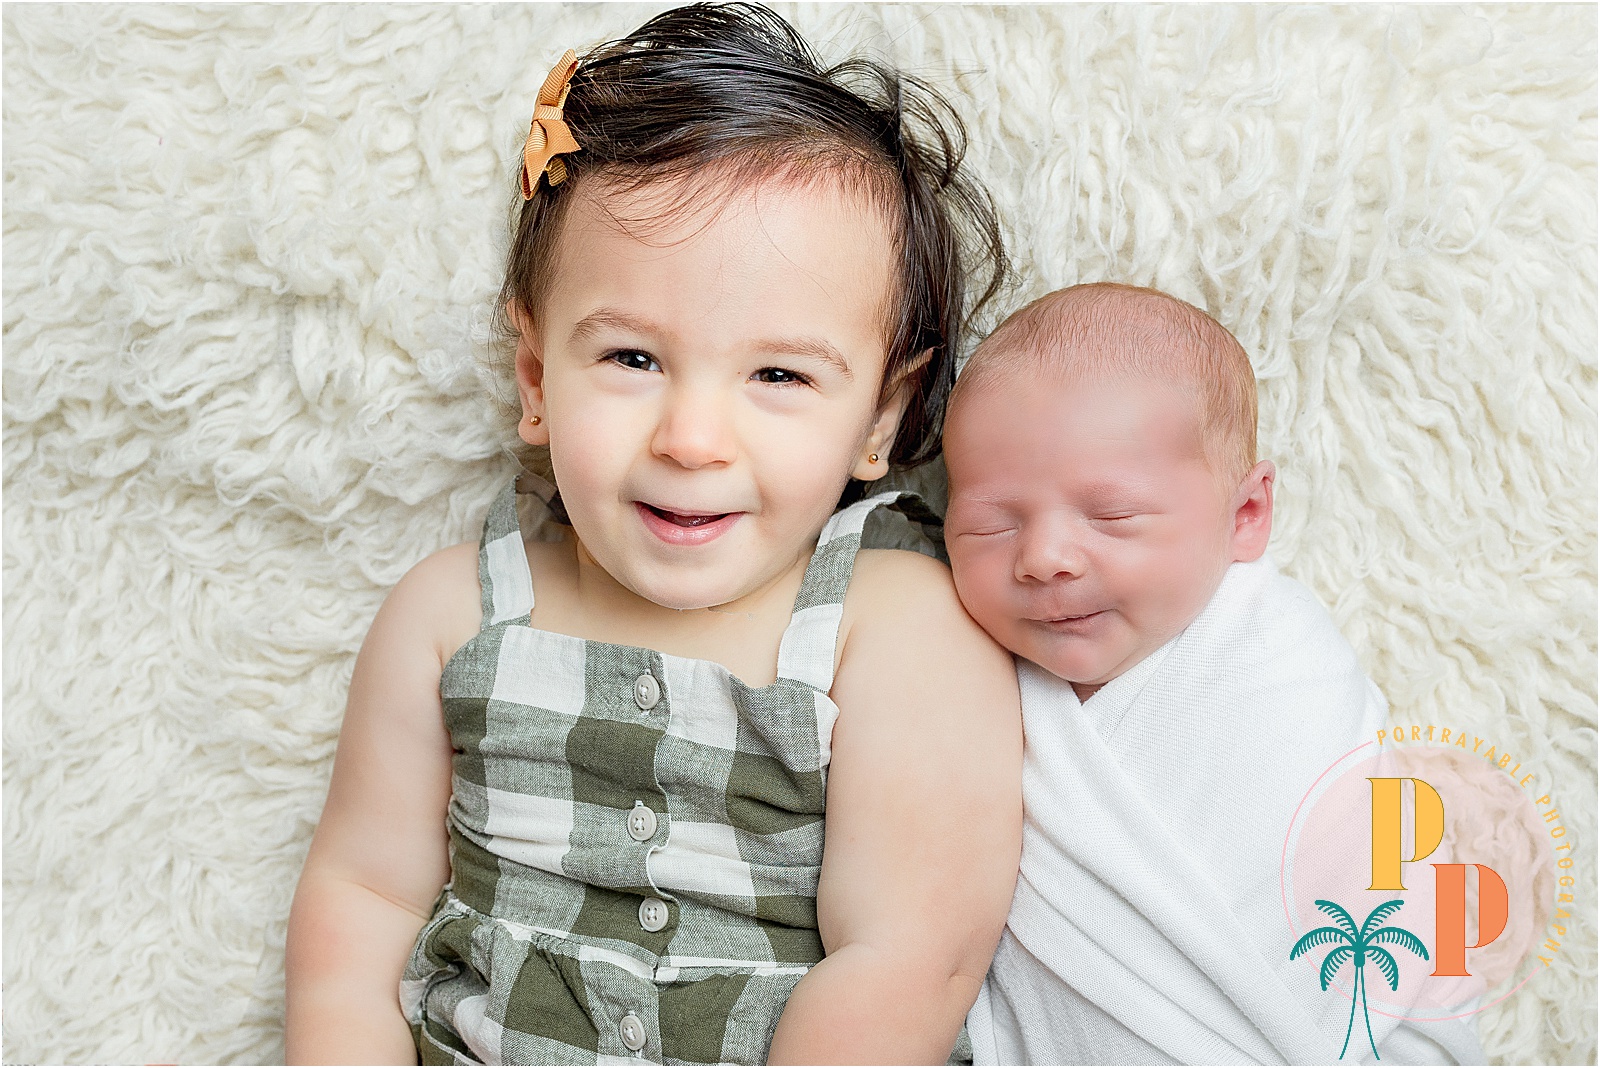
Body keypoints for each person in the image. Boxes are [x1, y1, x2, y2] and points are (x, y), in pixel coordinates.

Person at [283, 5, 1022, 1065]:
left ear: (882, 418)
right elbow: (360, 899)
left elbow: (911, 958)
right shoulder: (454, 616)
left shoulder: (893, 625)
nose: (689, 439)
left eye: (778, 375)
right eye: (631, 358)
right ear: (536, 379)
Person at [943, 283, 1484, 1064]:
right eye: (990, 525)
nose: (1044, 559)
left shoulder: (1283, 668)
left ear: (1245, 517)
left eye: (1113, 517)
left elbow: (1397, 873)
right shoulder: (962, 676)